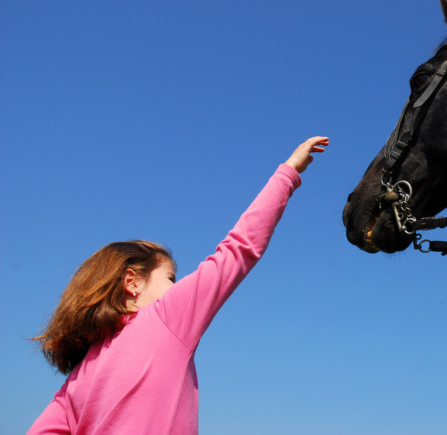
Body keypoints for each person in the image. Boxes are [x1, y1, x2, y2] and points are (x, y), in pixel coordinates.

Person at [28, 136, 329, 434]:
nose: (176, 287)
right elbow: (239, 248)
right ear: (131, 282)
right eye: (170, 278)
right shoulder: (164, 318)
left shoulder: (76, 381)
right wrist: (288, 172)